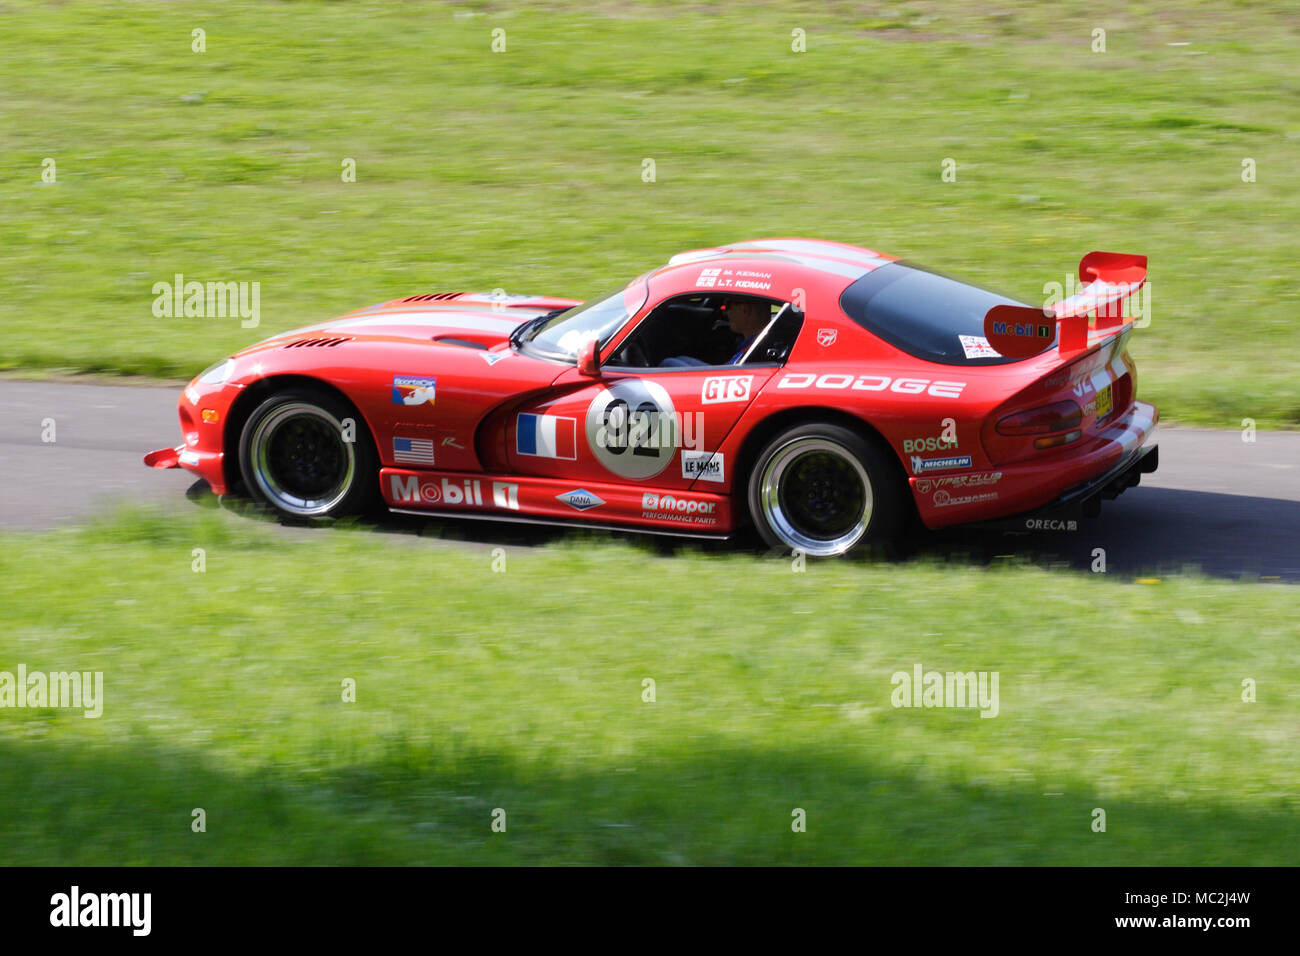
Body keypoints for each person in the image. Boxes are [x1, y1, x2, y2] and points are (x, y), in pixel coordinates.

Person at [661, 298, 770, 367]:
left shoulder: (754, 349)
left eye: (727, 306)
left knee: (668, 363)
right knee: (679, 359)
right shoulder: (760, 342)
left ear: (745, 310)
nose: (724, 312)